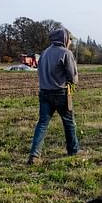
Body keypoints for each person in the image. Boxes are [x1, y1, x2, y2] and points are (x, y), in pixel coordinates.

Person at [27, 28, 80, 165]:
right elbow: (73, 77)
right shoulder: (66, 53)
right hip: (61, 93)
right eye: (69, 39)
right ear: (64, 39)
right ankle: (73, 151)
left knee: (42, 124)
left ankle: (34, 155)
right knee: (69, 123)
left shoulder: (44, 53)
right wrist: (71, 84)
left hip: (44, 93)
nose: (70, 42)